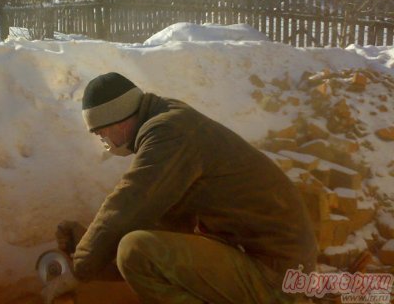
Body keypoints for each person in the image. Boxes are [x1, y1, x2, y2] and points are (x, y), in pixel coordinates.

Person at [42, 72, 317, 304]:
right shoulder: (169, 120)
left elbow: (127, 204)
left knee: (134, 250)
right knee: (137, 245)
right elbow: (165, 230)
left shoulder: (169, 133)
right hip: (274, 264)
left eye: (101, 131)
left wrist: (79, 269)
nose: (102, 139)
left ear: (121, 122)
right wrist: (88, 251)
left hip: (277, 278)